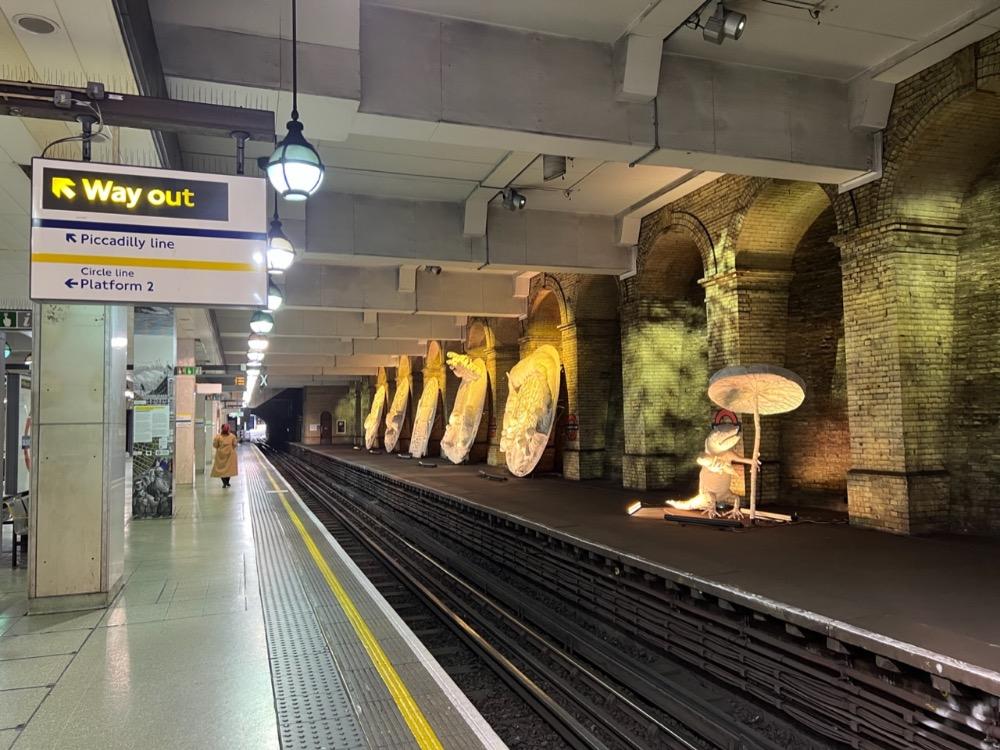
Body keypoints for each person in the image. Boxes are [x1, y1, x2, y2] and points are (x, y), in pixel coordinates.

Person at [211, 424, 239, 488]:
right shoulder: (232, 436)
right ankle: (227, 482)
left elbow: (215, 445)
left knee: (221, 469)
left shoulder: (218, 437)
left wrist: (220, 448)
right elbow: (235, 445)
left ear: (221, 428)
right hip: (230, 455)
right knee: (229, 469)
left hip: (220, 455)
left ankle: (224, 483)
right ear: (229, 429)